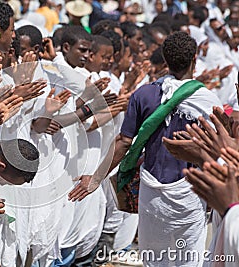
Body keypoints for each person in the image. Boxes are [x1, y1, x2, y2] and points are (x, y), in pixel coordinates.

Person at [69, 31, 222, 266]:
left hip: (152, 194)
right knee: (190, 259)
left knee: (153, 260)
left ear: (166, 61)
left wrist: (95, 179)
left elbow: (123, 142)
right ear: (194, 60)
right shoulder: (208, 100)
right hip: (190, 193)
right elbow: (217, 150)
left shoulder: (145, 94)